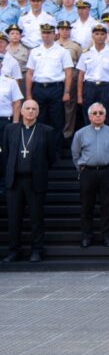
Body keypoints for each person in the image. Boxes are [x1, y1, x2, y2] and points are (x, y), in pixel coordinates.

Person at [1, 100, 56, 263]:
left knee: (36, 218)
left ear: (38, 112)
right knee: (13, 218)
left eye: (34, 109)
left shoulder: (47, 131)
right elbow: (6, 154)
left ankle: (37, 250)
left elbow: (51, 157)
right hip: (15, 180)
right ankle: (13, 251)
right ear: (22, 111)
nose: (31, 111)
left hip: (35, 180)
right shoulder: (10, 129)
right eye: (28, 108)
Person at [71, 102, 109, 248]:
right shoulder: (80, 133)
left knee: (107, 206)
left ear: (105, 115)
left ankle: (107, 236)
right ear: (89, 116)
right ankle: (86, 236)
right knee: (87, 206)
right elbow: (75, 154)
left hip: (107, 172)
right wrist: (82, 169)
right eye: (95, 113)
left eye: (101, 113)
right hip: (88, 173)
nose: (98, 115)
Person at [24, 23, 73, 146]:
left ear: (54, 34)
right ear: (41, 34)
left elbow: (68, 73)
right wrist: (29, 94)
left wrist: (66, 92)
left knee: (56, 120)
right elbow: (30, 73)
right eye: (44, 33)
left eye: (49, 33)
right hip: (38, 88)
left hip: (56, 88)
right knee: (38, 119)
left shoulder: (62, 51)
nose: (46, 36)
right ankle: (38, 148)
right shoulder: (35, 51)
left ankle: (55, 150)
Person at [76, 23, 109, 126]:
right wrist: (79, 95)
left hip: (105, 88)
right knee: (88, 116)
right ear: (92, 36)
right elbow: (81, 75)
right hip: (89, 87)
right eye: (97, 34)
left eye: (102, 34)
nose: (99, 36)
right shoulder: (86, 53)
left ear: (106, 36)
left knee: (105, 116)